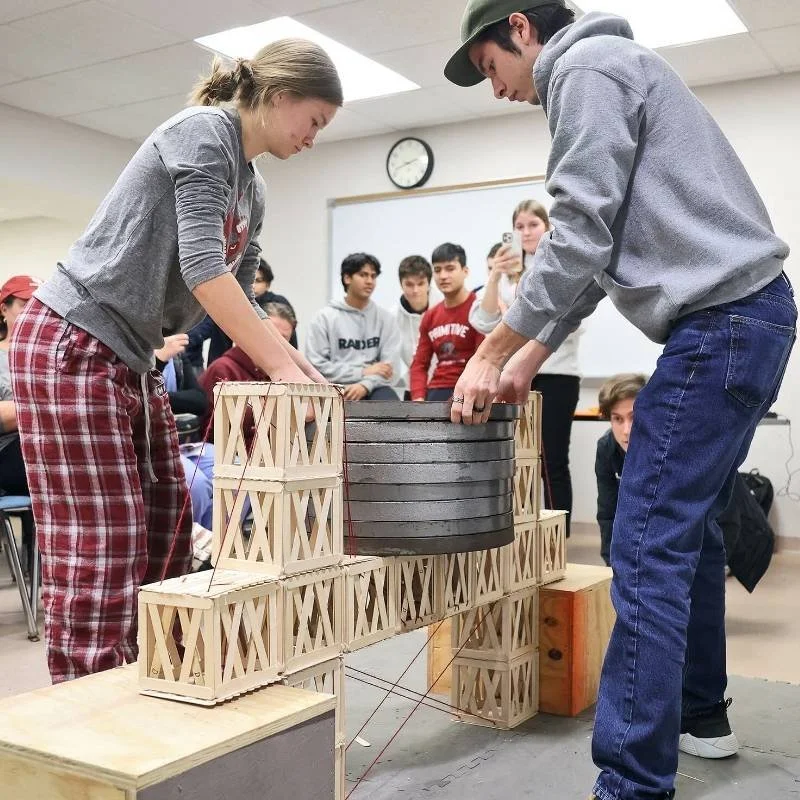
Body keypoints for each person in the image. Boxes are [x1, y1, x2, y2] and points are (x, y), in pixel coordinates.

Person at [444, 2, 795, 798]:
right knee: (690, 529)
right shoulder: (615, 72)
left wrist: (494, 347)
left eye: (490, 67)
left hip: (722, 322)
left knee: (642, 542)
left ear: (521, 31)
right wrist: (528, 356)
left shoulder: (584, 71)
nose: (496, 90)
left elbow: (577, 231)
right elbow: (594, 259)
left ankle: (631, 785)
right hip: (752, 315)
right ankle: (701, 716)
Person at [10, 39, 342, 683]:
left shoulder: (253, 187)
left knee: (167, 521)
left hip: (125, 353)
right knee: (103, 544)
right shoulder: (203, 135)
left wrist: (302, 367)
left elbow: (238, 294)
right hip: (70, 341)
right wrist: (283, 368)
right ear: (277, 99)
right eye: (315, 121)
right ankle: (88, 703)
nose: (314, 138)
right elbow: (202, 271)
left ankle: (145, 675)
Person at [470, 199, 581, 532]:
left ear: (547, 226)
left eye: (533, 224)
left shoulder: (559, 264)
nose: (526, 232)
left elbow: (570, 318)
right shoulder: (508, 273)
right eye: (519, 226)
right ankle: (523, 532)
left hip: (556, 373)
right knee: (516, 458)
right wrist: (494, 277)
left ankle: (558, 537)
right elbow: (482, 321)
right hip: (512, 376)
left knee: (553, 460)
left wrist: (517, 325)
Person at [306, 253, 400, 401]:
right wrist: (362, 371)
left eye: (373, 276)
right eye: (363, 275)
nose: (370, 281)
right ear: (347, 278)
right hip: (334, 386)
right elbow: (316, 366)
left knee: (391, 404)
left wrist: (365, 385)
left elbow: (389, 369)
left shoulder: (386, 319)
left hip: (374, 386)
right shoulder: (323, 318)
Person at [187, 258, 298, 370]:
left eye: (258, 281)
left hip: (273, 366)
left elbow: (289, 339)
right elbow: (208, 334)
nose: (253, 285)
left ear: (268, 285)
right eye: (250, 281)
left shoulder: (278, 303)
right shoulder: (228, 303)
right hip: (231, 367)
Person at [410, 243, 484, 401]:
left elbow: (482, 358)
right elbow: (419, 364)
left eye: (450, 268)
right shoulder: (430, 316)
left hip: (469, 387)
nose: (443, 276)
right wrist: (418, 399)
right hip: (437, 389)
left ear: (465, 271)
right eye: (437, 270)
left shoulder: (479, 310)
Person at [595, 374, 646, 567]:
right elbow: (608, 512)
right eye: (617, 419)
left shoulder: (669, 444)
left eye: (634, 418)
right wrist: (612, 564)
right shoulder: (606, 448)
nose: (626, 430)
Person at [392, 255, 432, 399]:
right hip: (410, 386)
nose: (415, 290)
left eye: (421, 284)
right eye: (409, 284)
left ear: (428, 284)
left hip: (441, 385)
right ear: (401, 284)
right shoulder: (392, 317)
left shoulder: (443, 308)